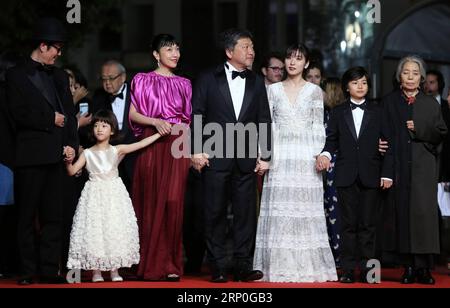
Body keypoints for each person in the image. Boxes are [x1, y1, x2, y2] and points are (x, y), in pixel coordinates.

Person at [191, 28, 272, 283]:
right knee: (213, 212)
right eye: (246, 47)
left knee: (245, 214)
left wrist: (266, 155)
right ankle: (217, 266)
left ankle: (243, 266)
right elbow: (197, 115)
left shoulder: (257, 82)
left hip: (246, 159)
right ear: (229, 51)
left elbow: (264, 120)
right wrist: (195, 149)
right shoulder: (207, 78)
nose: (252, 52)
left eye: (252, 47)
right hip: (214, 156)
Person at [253, 44, 336, 283]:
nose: (292, 62)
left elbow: (318, 126)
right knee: (280, 210)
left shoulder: (314, 91)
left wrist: (318, 154)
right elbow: (267, 126)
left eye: (298, 59)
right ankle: (277, 266)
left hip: (305, 158)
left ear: (306, 64)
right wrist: (265, 155)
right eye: (289, 57)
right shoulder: (273, 90)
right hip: (279, 156)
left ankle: (308, 267)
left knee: (305, 210)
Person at [6, 18, 78, 285]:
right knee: (25, 216)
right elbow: (17, 113)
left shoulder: (59, 75)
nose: (59, 53)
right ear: (43, 45)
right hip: (30, 157)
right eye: (56, 48)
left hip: (57, 157)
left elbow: (69, 114)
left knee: (54, 217)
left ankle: (50, 270)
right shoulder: (15, 74)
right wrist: (49, 119)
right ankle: (26, 271)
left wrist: (72, 144)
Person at [317, 67, 394, 283]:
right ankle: (349, 270)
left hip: (372, 174)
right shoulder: (338, 112)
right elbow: (331, 140)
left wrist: (387, 173)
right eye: (355, 83)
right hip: (345, 175)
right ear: (346, 87)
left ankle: (371, 272)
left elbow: (389, 144)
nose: (360, 86)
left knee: (369, 225)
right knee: (348, 225)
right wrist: (324, 154)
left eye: (364, 83)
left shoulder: (378, 111)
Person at [65, 110, 160, 283]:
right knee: (95, 231)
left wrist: (159, 134)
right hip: (94, 195)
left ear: (112, 130)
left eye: (104, 125)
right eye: (96, 125)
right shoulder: (87, 153)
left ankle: (114, 270)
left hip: (114, 195)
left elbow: (141, 144)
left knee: (113, 228)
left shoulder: (118, 150)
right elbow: (72, 171)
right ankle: (96, 272)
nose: (99, 129)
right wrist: (68, 160)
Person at [129, 34, 192, 281]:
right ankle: (150, 263)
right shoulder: (142, 79)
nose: (175, 53)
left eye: (177, 49)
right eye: (169, 49)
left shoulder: (185, 83)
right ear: (156, 54)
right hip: (151, 142)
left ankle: (171, 264)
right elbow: (133, 114)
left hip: (177, 144)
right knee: (150, 200)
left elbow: (187, 121)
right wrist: (155, 121)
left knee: (174, 203)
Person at [381, 56, 447, 284]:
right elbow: (382, 133)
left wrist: (420, 130)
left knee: (424, 218)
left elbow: (441, 134)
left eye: (415, 73)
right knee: (402, 217)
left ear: (421, 78)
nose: (410, 76)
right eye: (406, 72)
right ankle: (408, 267)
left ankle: (424, 268)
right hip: (399, 166)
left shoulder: (431, 103)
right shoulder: (389, 102)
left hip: (423, 167)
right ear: (400, 76)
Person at [92, 60, 136, 194]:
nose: (107, 83)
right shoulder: (98, 97)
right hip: (109, 160)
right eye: (103, 79)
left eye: (111, 78)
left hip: (134, 156)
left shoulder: (137, 93)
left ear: (122, 77)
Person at [322, 77, 345, 265]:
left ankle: (338, 254)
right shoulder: (321, 113)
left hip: (334, 167)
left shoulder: (336, 115)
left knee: (335, 212)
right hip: (322, 167)